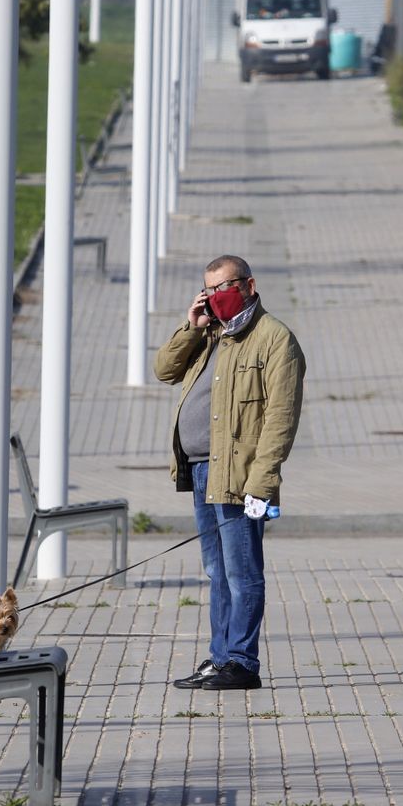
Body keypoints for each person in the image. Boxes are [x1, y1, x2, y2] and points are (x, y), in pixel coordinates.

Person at [155, 255, 305, 690]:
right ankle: (220, 658)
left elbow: (280, 419)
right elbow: (164, 370)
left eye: (223, 288)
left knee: (242, 572)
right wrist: (192, 325)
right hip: (202, 471)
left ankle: (241, 661)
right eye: (208, 290)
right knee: (215, 571)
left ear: (248, 285)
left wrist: (263, 483)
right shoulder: (210, 333)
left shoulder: (275, 340)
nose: (215, 298)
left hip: (241, 478)